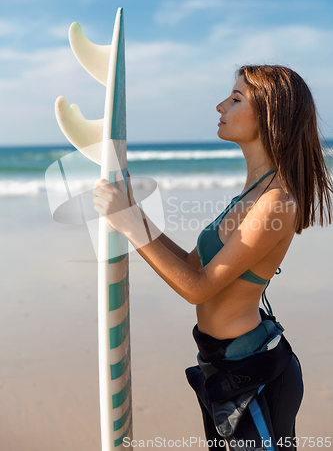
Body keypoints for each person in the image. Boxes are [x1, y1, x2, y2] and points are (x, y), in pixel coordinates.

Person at [92, 65, 333, 451]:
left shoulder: (276, 202)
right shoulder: (252, 193)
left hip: (253, 376)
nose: (220, 105)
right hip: (222, 368)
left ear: (270, 115)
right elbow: (191, 265)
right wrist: (134, 214)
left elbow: (197, 288)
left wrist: (129, 224)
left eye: (236, 98)